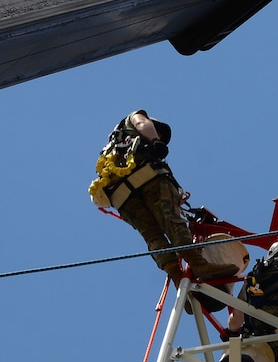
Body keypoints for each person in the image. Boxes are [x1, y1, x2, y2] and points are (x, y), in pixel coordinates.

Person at [89, 110, 234, 280]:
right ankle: (199, 265)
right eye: (159, 133)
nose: (160, 137)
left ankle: (176, 277)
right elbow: (141, 123)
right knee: (172, 220)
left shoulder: (112, 149)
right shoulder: (133, 119)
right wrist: (156, 141)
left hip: (122, 197)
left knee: (152, 236)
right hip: (148, 178)